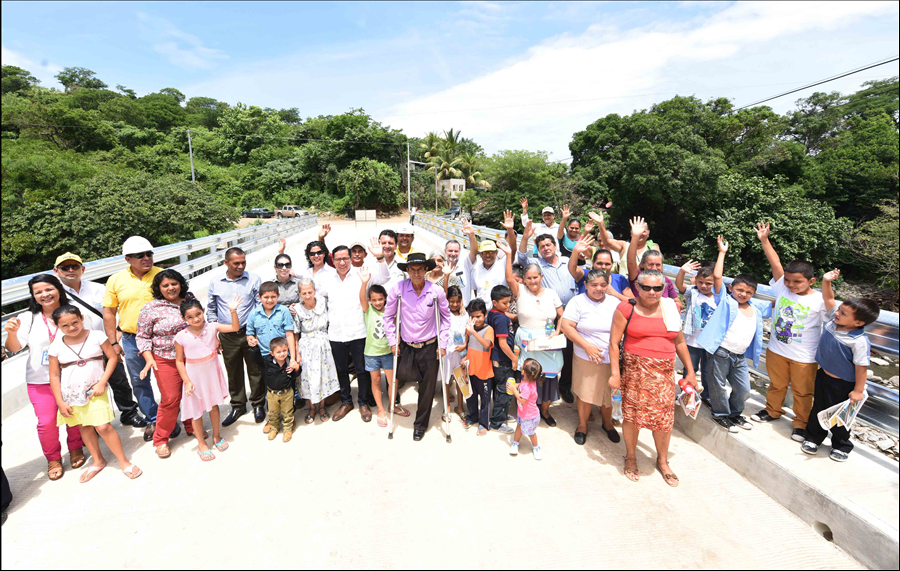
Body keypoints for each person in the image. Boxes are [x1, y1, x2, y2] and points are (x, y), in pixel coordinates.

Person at [609, 270, 697, 486]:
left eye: (657, 288)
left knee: (664, 421)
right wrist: (615, 374)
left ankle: (663, 461)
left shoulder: (670, 307)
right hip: (635, 372)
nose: (652, 292)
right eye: (646, 287)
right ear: (637, 287)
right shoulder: (626, 308)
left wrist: (691, 371)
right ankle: (631, 457)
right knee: (631, 417)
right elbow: (613, 343)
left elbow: (680, 342)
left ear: (663, 289)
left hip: (664, 374)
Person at [750, 222, 827, 443]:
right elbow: (775, 264)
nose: (791, 285)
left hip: (805, 357)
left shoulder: (819, 300)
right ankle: (772, 411)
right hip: (777, 349)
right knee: (776, 384)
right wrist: (764, 240)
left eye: (798, 282)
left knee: (803, 393)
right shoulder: (783, 288)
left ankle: (801, 424)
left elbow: (834, 319)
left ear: (811, 281)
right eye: (788, 280)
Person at [4, 275, 85, 481]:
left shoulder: (74, 310)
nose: (44, 295)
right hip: (39, 379)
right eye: (38, 292)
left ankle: (76, 448)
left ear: (58, 289)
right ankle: (53, 459)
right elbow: (13, 348)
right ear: (33, 296)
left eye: (48, 289)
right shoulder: (28, 318)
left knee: (73, 415)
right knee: (46, 422)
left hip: (71, 376)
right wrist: (11, 334)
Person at [48, 305, 142, 482]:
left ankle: (123, 461)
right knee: (84, 426)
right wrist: (60, 401)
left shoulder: (97, 336)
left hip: (95, 389)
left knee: (103, 427)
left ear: (82, 318)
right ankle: (98, 461)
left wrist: (102, 381)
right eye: (65, 326)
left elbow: (112, 357)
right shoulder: (55, 347)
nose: (71, 328)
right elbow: (53, 375)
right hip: (70, 393)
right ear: (57, 326)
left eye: (74, 322)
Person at [53, 253, 146, 429]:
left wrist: (116, 338)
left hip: (104, 342)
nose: (71, 270)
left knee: (119, 379)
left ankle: (128, 412)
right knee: (82, 384)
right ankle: (89, 420)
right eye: (65, 267)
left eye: (75, 266)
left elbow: (115, 312)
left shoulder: (98, 289)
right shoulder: (56, 294)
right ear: (56, 271)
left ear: (83, 269)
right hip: (76, 348)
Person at [696, 239, 773, 432]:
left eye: (748, 292)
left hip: (739, 357)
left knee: (743, 389)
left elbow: (776, 303)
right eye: (739, 290)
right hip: (721, 352)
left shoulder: (755, 308)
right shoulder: (726, 301)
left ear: (753, 293)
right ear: (732, 289)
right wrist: (722, 253)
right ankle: (721, 414)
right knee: (718, 386)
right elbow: (718, 276)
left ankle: (735, 413)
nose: (743, 294)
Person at [802, 270, 879, 462]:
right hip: (824, 376)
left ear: (859, 322)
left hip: (843, 385)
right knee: (818, 408)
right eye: (839, 310)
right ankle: (813, 438)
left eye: (843, 313)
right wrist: (826, 281)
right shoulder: (832, 321)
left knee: (841, 417)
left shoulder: (859, 341)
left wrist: (858, 391)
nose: (837, 313)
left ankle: (842, 444)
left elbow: (861, 367)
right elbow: (829, 299)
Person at [383, 253, 452, 441]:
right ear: (407, 271)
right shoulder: (398, 290)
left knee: (427, 387)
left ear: (426, 270)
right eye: (412, 270)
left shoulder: (436, 292)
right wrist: (392, 340)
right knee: (402, 376)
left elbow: (445, 318)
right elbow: (388, 317)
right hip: (406, 345)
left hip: (430, 346)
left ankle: (420, 424)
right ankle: (394, 406)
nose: (416, 273)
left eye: (420, 269)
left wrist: (443, 343)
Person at [102, 235, 162, 441]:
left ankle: (173, 416)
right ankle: (153, 418)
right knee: (139, 380)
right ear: (128, 259)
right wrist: (113, 342)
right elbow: (109, 312)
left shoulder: (162, 275)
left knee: (169, 378)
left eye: (149, 254)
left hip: (162, 338)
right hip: (132, 338)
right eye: (140, 255)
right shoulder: (116, 280)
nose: (146, 258)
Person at [321, 245, 391, 422]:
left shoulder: (362, 274)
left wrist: (380, 257)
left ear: (351, 258)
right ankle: (346, 402)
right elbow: (317, 299)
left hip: (359, 331)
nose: (343, 262)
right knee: (341, 370)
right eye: (338, 259)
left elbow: (385, 276)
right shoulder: (327, 279)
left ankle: (363, 402)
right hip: (336, 332)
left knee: (362, 370)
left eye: (346, 258)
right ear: (333, 261)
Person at [499, 242, 564, 427]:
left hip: (547, 341)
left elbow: (561, 314)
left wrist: (557, 332)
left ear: (541, 277)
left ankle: (544, 410)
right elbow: (509, 278)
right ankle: (525, 409)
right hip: (526, 340)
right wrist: (508, 254)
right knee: (527, 376)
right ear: (524, 279)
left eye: (536, 277)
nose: (533, 281)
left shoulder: (551, 293)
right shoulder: (520, 292)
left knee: (549, 377)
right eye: (529, 278)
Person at [517, 216, 580, 404]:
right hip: (550, 316)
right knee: (548, 353)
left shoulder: (567, 261)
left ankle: (564, 386)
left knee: (568, 354)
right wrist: (525, 238)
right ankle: (535, 395)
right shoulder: (537, 267)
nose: (545, 248)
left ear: (555, 245)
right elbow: (521, 258)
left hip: (571, 314)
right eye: (542, 246)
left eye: (548, 245)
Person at [136, 270, 197, 458]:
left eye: (174, 283)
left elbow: (200, 323)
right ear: (159, 288)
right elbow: (143, 335)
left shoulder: (189, 301)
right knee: (170, 399)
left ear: (180, 284)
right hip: (165, 358)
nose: (171, 288)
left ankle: (191, 426)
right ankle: (161, 439)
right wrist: (149, 358)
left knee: (192, 393)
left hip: (191, 356)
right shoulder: (150, 308)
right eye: (165, 285)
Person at [174, 295, 241, 460]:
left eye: (198, 314)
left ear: (203, 311)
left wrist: (233, 311)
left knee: (214, 406)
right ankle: (201, 443)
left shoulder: (213, 327)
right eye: (190, 317)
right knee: (196, 412)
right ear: (183, 319)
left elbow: (234, 327)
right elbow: (179, 361)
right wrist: (187, 382)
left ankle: (216, 436)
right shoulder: (181, 336)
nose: (195, 319)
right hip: (193, 377)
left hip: (211, 373)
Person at [560, 269, 621, 445]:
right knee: (586, 392)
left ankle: (608, 424)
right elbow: (567, 326)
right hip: (586, 356)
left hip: (611, 355)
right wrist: (587, 346)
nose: (598, 289)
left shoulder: (614, 302)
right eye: (593, 285)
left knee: (608, 392)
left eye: (603, 285)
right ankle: (582, 425)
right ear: (585, 285)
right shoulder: (577, 302)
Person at [207, 247, 265, 427]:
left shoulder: (253, 279)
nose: (241, 266)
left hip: (249, 332)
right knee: (233, 371)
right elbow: (211, 310)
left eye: (243, 262)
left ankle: (258, 404)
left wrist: (255, 332)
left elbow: (259, 306)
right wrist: (213, 336)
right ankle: (238, 405)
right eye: (236, 263)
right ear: (226, 263)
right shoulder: (215, 282)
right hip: (227, 336)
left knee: (255, 370)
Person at [359, 270, 409, 427]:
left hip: (388, 352)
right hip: (372, 353)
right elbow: (361, 299)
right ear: (370, 300)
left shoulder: (391, 310)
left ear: (385, 298)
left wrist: (397, 343)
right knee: (375, 381)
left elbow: (397, 328)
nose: (378, 302)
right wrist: (364, 283)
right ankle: (380, 409)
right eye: (374, 300)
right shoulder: (369, 310)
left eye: (380, 299)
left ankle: (391, 405)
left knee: (392, 381)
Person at [247, 281, 299, 432]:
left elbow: (289, 334)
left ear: (278, 296)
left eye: (273, 297)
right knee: (270, 388)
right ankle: (273, 419)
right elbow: (249, 333)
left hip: (284, 356)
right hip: (266, 357)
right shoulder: (254, 314)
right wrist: (251, 339)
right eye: (266, 297)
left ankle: (290, 418)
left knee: (288, 388)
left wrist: (293, 357)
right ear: (259, 297)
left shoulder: (283, 311)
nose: (269, 300)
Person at [293, 279, 340, 423]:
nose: (307, 296)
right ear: (299, 294)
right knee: (308, 377)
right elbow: (295, 333)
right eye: (304, 293)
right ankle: (312, 407)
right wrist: (296, 354)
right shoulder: (297, 309)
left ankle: (323, 406)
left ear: (314, 291)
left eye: (310, 292)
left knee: (323, 375)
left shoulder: (323, 302)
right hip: (306, 346)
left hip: (323, 344)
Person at [675, 255, 718, 398]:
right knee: (690, 368)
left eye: (708, 283)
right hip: (692, 340)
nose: (704, 286)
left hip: (709, 343)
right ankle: (686, 394)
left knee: (708, 371)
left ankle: (706, 395)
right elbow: (680, 286)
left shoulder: (719, 297)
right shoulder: (693, 292)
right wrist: (682, 271)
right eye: (701, 282)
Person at [624, 217, 682, 312]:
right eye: (650, 264)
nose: (654, 268)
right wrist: (635, 237)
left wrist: (666, 307)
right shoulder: (637, 277)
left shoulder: (666, 281)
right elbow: (631, 262)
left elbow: (678, 303)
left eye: (658, 265)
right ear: (642, 265)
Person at [253, 337, 300, 443]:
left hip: (287, 393)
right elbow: (256, 359)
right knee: (272, 412)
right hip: (272, 394)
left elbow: (295, 375)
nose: (282, 354)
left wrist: (296, 367)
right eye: (278, 352)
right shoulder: (267, 361)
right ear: (272, 353)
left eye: (284, 350)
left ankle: (288, 429)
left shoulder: (289, 362)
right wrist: (255, 347)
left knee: (288, 412)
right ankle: (274, 428)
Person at [590, 210, 659, 277]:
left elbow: (657, 268)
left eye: (643, 231)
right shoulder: (624, 245)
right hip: (623, 286)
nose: (640, 233)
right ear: (631, 233)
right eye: (637, 230)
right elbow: (606, 242)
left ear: (648, 234)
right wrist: (601, 224)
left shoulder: (652, 248)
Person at [462, 299, 494, 435]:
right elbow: (469, 346)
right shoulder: (469, 329)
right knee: (471, 396)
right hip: (471, 370)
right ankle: (472, 416)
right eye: (472, 316)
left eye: (478, 316)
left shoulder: (489, 329)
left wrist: (473, 331)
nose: (475, 320)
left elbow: (486, 345)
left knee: (485, 400)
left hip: (485, 372)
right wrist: (464, 358)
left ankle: (484, 423)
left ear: (485, 314)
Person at [463, 218, 511, 310]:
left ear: (497, 253)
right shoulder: (476, 270)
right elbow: (476, 291)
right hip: (481, 314)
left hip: (498, 313)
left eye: (491, 252)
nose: (488, 255)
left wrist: (510, 230)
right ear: (480, 255)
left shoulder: (502, 265)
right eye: (485, 253)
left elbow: (513, 248)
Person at [488, 286, 517, 434]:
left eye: (509, 303)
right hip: (503, 360)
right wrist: (514, 358)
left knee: (500, 389)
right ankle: (497, 422)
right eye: (504, 303)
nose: (507, 306)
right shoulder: (500, 318)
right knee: (503, 391)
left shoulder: (493, 313)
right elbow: (503, 343)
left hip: (498, 359)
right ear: (494, 302)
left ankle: (502, 415)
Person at [568, 239, 632, 301]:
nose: (603, 267)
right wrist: (575, 251)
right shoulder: (586, 276)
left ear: (612, 264)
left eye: (607, 264)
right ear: (593, 263)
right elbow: (572, 269)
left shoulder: (619, 279)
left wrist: (615, 294)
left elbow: (633, 301)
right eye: (599, 263)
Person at [507, 358, 543, 460]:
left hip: (530, 416)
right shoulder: (527, 380)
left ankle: (536, 448)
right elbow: (522, 385)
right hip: (523, 413)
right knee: (519, 427)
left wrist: (514, 390)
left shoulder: (528, 387)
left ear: (524, 372)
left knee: (531, 433)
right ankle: (515, 443)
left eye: (523, 365)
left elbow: (522, 400)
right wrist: (517, 385)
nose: (521, 366)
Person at [444, 286, 469, 418]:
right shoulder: (445, 313)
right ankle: (447, 405)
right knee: (447, 379)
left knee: (460, 379)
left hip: (461, 352)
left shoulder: (465, 314)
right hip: (448, 352)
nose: (454, 304)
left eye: (457, 301)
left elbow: (468, 332)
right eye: (451, 301)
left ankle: (460, 406)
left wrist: (465, 345)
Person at [442, 239, 471, 306]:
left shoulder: (465, 265)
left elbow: (474, 252)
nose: (453, 254)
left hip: (464, 310)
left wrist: (471, 235)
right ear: (445, 251)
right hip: (446, 310)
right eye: (450, 251)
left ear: (459, 252)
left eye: (456, 251)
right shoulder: (441, 268)